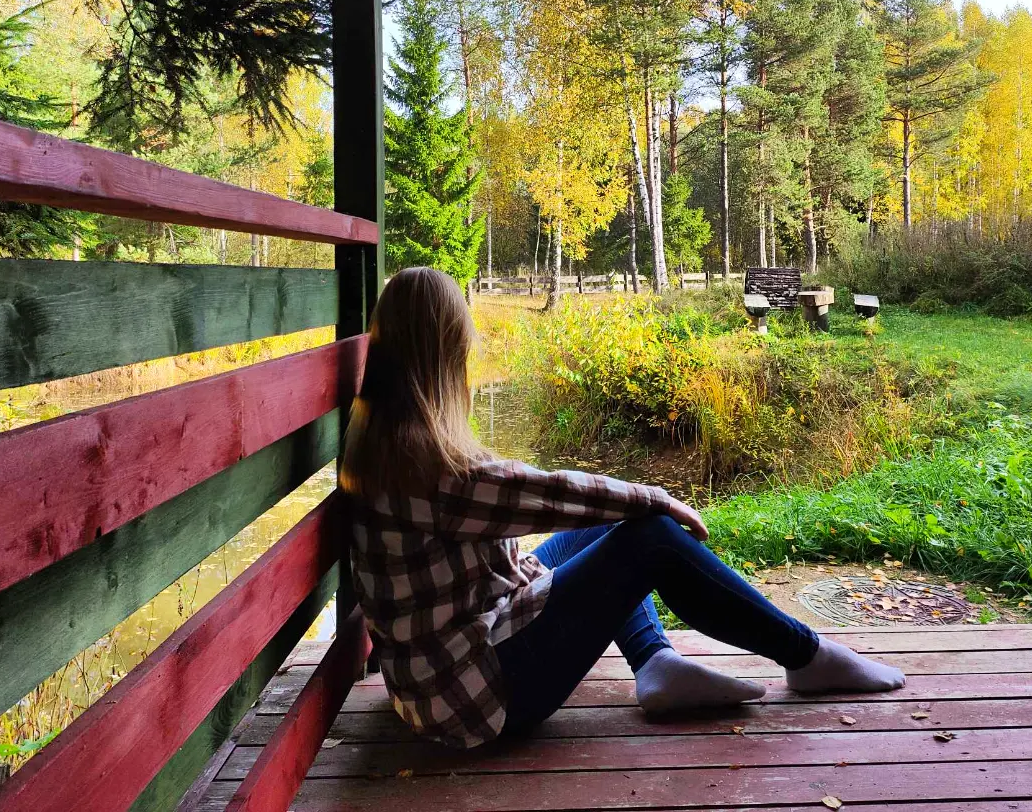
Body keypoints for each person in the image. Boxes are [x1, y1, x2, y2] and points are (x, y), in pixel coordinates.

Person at [340, 266, 906, 748]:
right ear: (445, 351)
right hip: (481, 696)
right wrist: (655, 497)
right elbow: (547, 491)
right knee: (649, 536)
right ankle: (807, 656)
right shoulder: (433, 468)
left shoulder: (384, 442)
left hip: (445, 672)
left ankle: (655, 664)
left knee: (608, 530)